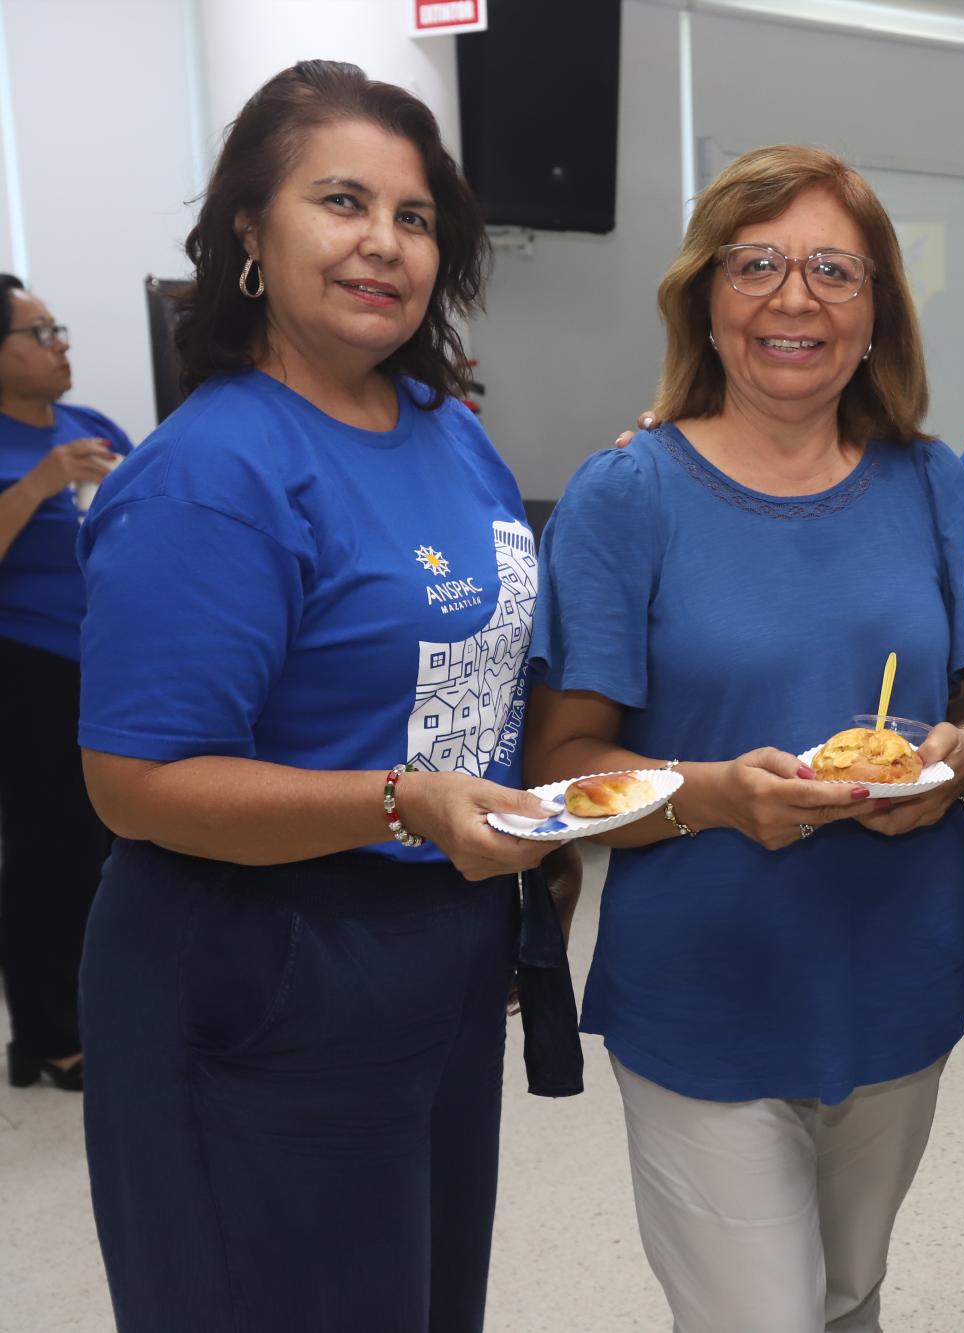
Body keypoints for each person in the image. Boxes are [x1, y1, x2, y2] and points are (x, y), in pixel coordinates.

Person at [74, 61, 575, 1331]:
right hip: (259, 967)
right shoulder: (214, 472)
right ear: (251, 230)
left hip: (433, 955)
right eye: (340, 201)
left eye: (414, 218)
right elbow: (137, 783)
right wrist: (402, 800)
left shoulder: (443, 426)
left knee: (415, 1297)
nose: (382, 245)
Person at [522, 144, 964, 1333]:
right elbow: (558, 765)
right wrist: (716, 795)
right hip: (707, 987)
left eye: (834, 268)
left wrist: (958, 761)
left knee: (846, 1298)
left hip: (898, 969)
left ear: (878, 307)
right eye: (758, 264)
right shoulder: (626, 494)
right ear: (703, 297)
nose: (795, 298)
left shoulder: (930, 482)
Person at [0, 276, 130, 1091]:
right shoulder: (31, 455)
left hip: (107, 662)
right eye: (40, 332)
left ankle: (107, 1007)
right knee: (46, 851)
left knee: (111, 843)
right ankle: (46, 1031)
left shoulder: (94, 427)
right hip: (26, 669)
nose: (61, 344)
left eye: (59, 329)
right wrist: (39, 484)